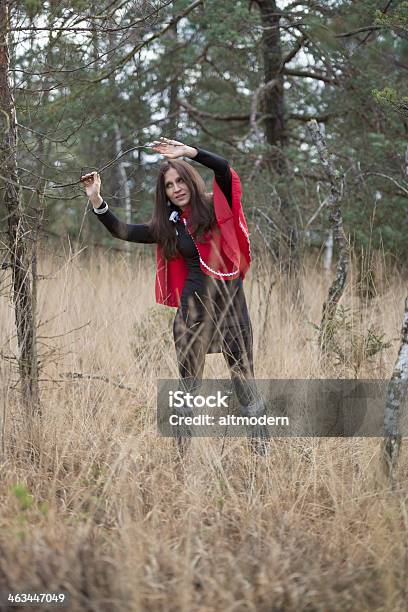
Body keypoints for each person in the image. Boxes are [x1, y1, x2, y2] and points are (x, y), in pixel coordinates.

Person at [81, 136, 267, 454]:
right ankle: (183, 462)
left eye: (180, 180)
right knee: (188, 392)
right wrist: (97, 199)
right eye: (169, 185)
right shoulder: (170, 225)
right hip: (192, 315)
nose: (176, 188)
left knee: (244, 382)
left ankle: (260, 457)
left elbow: (224, 168)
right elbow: (122, 231)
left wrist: (190, 152)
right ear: (164, 193)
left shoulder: (215, 205)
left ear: (190, 181)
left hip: (232, 310)